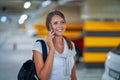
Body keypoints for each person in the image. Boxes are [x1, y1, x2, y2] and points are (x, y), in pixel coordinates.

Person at [33, 10, 77, 80]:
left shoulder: (71, 45)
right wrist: (51, 50)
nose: (60, 26)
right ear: (49, 26)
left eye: (62, 22)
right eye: (55, 23)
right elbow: (43, 78)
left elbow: (73, 75)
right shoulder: (39, 46)